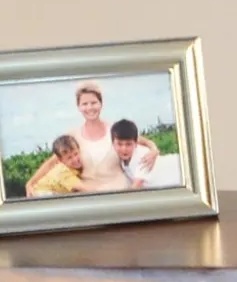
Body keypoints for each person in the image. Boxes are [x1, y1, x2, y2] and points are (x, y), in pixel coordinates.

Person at [23, 80, 160, 196]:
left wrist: (154, 150)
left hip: (119, 192)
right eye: (85, 104)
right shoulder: (72, 136)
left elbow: (141, 141)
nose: (90, 108)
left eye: (94, 102)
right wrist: (30, 183)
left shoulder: (114, 129)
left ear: (101, 103)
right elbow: (51, 162)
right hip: (88, 197)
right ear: (79, 107)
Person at [25, 135, 91, 197]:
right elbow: (86, 189)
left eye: (76, 154)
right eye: (69, 158)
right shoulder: (63, 172)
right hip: (41, 193)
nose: (75, 159)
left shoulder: (73, 169)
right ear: (60, 160)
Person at [111, 119, 155, 187]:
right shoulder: (122, 160)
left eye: (128, 144)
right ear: (113, 144)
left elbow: (136, 186)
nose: (124, 149)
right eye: (120, 144)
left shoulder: (143, 157)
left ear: (136, 143)